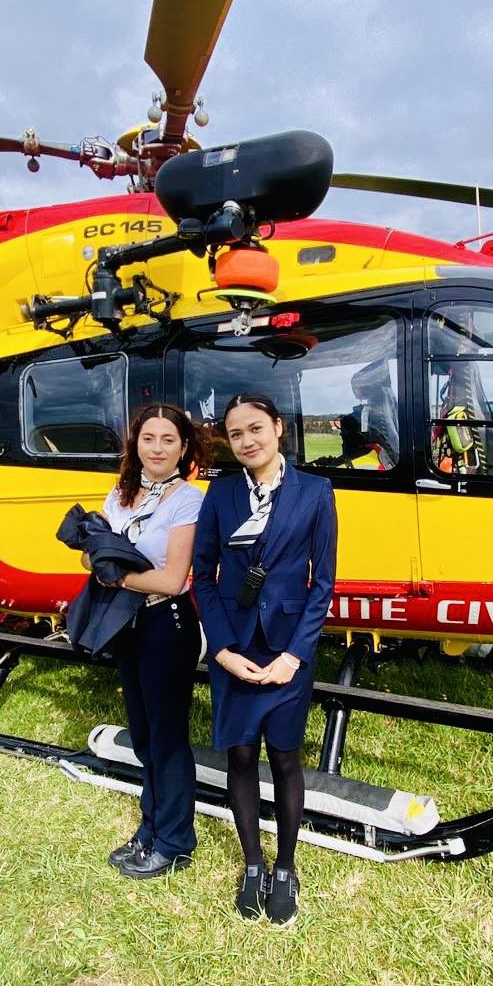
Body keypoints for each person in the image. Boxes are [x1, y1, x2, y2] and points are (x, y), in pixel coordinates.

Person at [192, 393, 337, 924]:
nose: (247, 441)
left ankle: (286, 866)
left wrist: (295, 657)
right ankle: (253, 862)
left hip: (287, 650)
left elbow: (322, 584)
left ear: (277, 428)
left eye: (256, 429)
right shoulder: (221, 491)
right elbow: (202, 577)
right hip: (235, 645)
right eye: (235, 434)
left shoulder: (315, 492)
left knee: (284, 758)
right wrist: (223, 649)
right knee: (241, 757)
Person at [91, 403, 206, 880]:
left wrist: (116, 576)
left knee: (167, 737)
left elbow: (172, 579)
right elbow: (90, 558)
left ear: (183, 448)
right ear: (134, 444)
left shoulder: (188, 500)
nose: (156, 448)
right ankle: (150, 827)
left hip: (166, 626)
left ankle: (174, 840)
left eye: (167, 440)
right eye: (148, 438)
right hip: (125, 626)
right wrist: (107, 569)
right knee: (143, 735)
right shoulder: (118, 496)